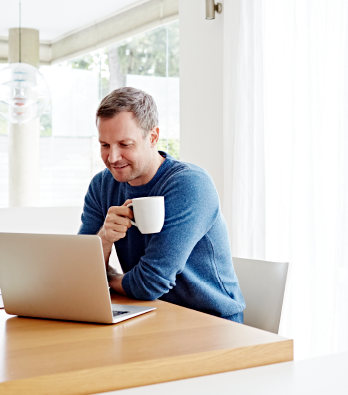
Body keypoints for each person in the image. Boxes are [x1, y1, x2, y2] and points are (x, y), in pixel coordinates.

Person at [78, 87, 245, 323]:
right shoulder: (102, 185)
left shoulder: (189, 184)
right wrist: (104, 238)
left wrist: (111, 279)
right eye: (105, 145)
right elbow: (80, 274)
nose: (113, 158)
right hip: (151, 314)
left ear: (153, 137)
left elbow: (149, 283)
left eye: (125, 144)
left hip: (211, 322)